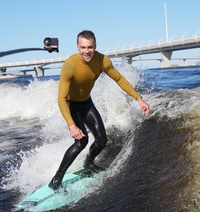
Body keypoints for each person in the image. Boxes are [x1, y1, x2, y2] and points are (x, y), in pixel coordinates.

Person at [48, 30, 150, 192]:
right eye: (83, 47)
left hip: (87, 104)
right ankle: (56, 180)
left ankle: (88, 163)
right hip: (70, 104)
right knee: (81, 142)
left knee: (102, 140)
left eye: (90, 47)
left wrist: (138, 98)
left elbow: (119, 79)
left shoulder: (102, 61)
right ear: (77, 47)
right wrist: (71, 126)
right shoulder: (70, 65)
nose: (86, 51)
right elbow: (61, 99)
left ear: (95, 46)